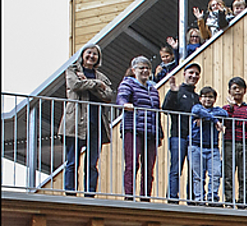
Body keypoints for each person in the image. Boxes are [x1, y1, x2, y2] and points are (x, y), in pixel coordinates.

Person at [58, 43, 115, 196]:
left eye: (95, 54)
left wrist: (89, 84)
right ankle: (70, 193)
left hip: (96, 123)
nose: (91, 56)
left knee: (91, 163)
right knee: (72, 161)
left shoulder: (102, 76)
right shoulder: (73, 71)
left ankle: (90, 194)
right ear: (83, 54)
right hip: (75, 122)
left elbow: (108, 96)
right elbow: (75, 85)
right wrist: (97, 85)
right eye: (89, 53)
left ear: (98, 58)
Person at [116, 56, 163, 200]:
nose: (145, 70)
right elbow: (121, 98)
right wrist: (125, 104)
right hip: (133, 128)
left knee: (149, 167)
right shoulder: (128, 84)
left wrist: (159, 132)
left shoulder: (153, 89)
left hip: (150, 131)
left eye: (147, 68)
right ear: (133, 70)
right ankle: (129, 196)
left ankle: (145, 196)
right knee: (132, 163)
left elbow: (157, 111)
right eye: (141, 68)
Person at [162, 62, 202, 202]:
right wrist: (172, 91)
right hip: (178, 135)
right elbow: (166, 108)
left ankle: (191, 199)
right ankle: (172, 198)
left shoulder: (198, 97)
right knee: (176, 169)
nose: (194, 76)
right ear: (184, 74)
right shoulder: (177, 92)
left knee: (194, 170)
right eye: (191, 73)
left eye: (197, 74)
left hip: (195, 139)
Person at [189, 87, 228, 205]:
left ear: (215, 99)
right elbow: (197, 111)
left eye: (210, 97)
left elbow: (224, 113)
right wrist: (215, 121)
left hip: (213, 147)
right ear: (200, 98)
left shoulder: (217, 110)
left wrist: (206, 117)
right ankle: (199, 198)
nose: (208, 99)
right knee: (198, 176)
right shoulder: (196, 107)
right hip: (196, 146)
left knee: (215, 174)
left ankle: (212, 197)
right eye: (205, 96)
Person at [222, 77, 247, 208]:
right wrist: (231, 109)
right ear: (229, 91)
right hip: (229, 142)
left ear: (245, 90)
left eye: (239, 88)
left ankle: (243, 201)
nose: (237, 91)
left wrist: (234, 121)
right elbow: (225, 121)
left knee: (245, 173)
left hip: (245, 143)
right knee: (228, 173)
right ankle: (229, 201)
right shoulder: (226, 108)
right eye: (234, 88)